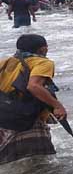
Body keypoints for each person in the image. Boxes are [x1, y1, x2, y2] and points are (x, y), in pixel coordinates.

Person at [0, 34, 67, 164]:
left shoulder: (5, 62)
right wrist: (58, 106)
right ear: (42, 50)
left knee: (11, 164)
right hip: (27, 119)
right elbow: (34, 86)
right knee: (40, 165)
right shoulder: (43, 62)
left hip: (4, 120)